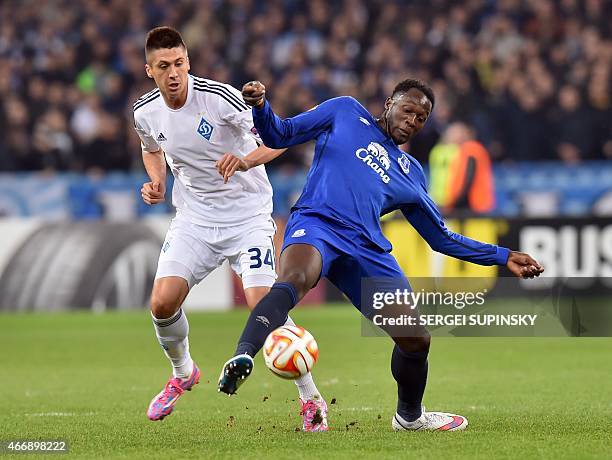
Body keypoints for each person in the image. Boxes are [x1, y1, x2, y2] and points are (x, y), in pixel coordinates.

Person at [216, 79, 544, 431]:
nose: (413, 121)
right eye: (408, 110)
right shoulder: (344, 111)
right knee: (294, 279)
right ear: (389, 103)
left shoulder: (411, 173)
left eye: (422, 117)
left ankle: (410, 417)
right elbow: (280, 135)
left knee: (416, 338)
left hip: (365, 249)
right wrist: (261, 106)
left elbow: (441, 239)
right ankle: (243, 355)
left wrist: (502, 255)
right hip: (317, 224)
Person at [133, 27, 327, 431]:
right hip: (194, 219)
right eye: (164, 66)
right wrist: (157, 182)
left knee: (264, 303)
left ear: (188, 62)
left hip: (247, 217)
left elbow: (279, 139)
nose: (174, 74)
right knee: (161, 303)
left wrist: (245, 161)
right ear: (149, 70)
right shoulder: (145, 112)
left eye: (180, 64)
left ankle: (311, 398)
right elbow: (152, 148)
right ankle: (183, 372)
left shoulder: (220, 99)